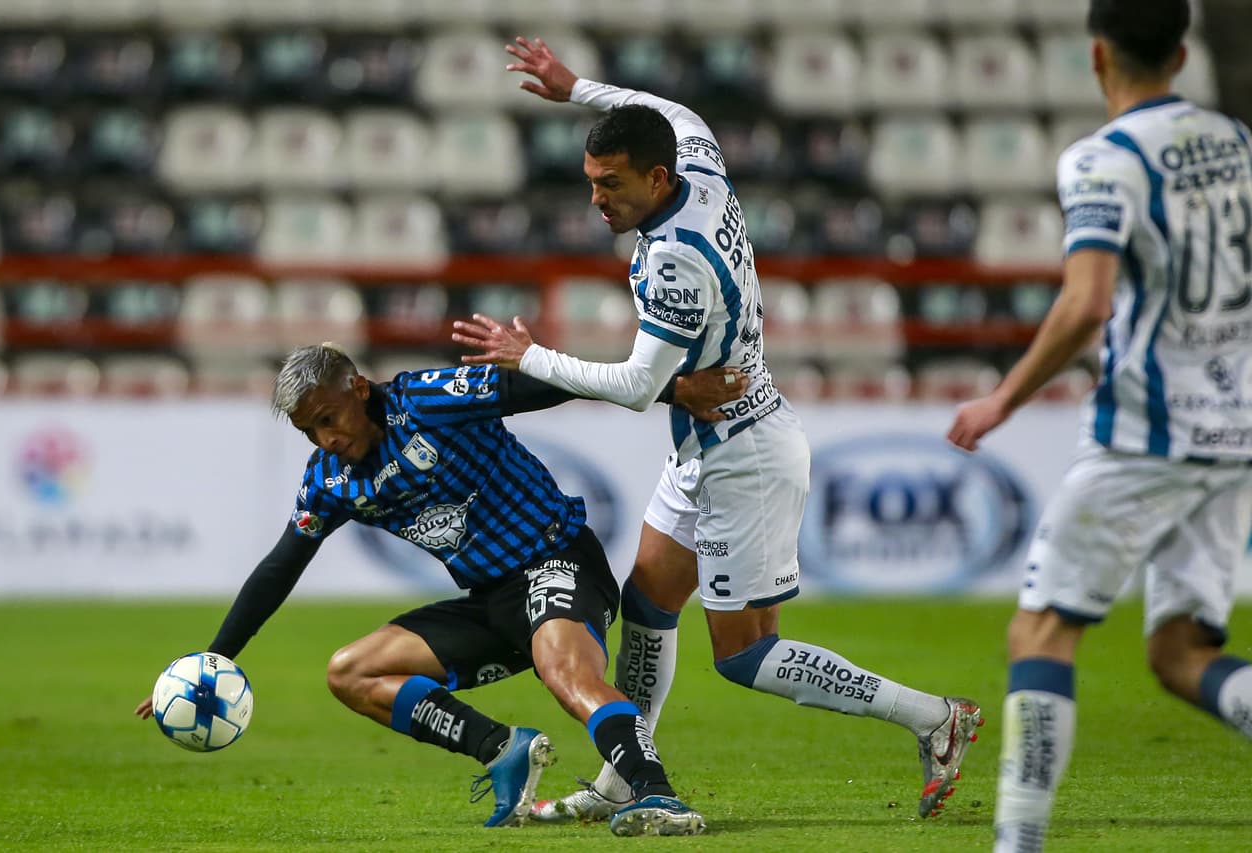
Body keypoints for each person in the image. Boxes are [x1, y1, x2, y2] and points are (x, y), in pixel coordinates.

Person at [453, 37, 983, 824]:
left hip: (746, 456)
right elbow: (677, 110)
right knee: (648, 599)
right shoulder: (696, 163)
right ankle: (623, 775)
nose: (597, 199)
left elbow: (635, 386)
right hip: (708, 445)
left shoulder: (674, 259)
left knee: (743, 654)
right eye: (591, 181)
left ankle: (934, 716)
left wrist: (533, 355)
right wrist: (576, 89)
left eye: (612, 184)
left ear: (657, 178)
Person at [134, 343, 742, 836]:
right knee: (350, 672)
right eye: (308, 431)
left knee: (566, 673)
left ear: (359, 391)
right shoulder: (329, 480)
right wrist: (217, 658)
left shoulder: (427, 399)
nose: (325, 440)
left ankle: (656, 792)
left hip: (555, 562)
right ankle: (501, 748)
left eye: (328, 420)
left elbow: (544, 388)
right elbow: (279, 568)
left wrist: (672, 388)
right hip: (489, 601)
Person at [945, 2, 1252, 850]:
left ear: (1096, 56)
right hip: (1235, 433)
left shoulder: (1102, 159)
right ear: (1183, 53)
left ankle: (1018, 841)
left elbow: (1087, 303)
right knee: (1179, 653)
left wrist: (1003, 398)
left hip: (1147, 432)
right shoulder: (1235, 142)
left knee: (1041, 629)